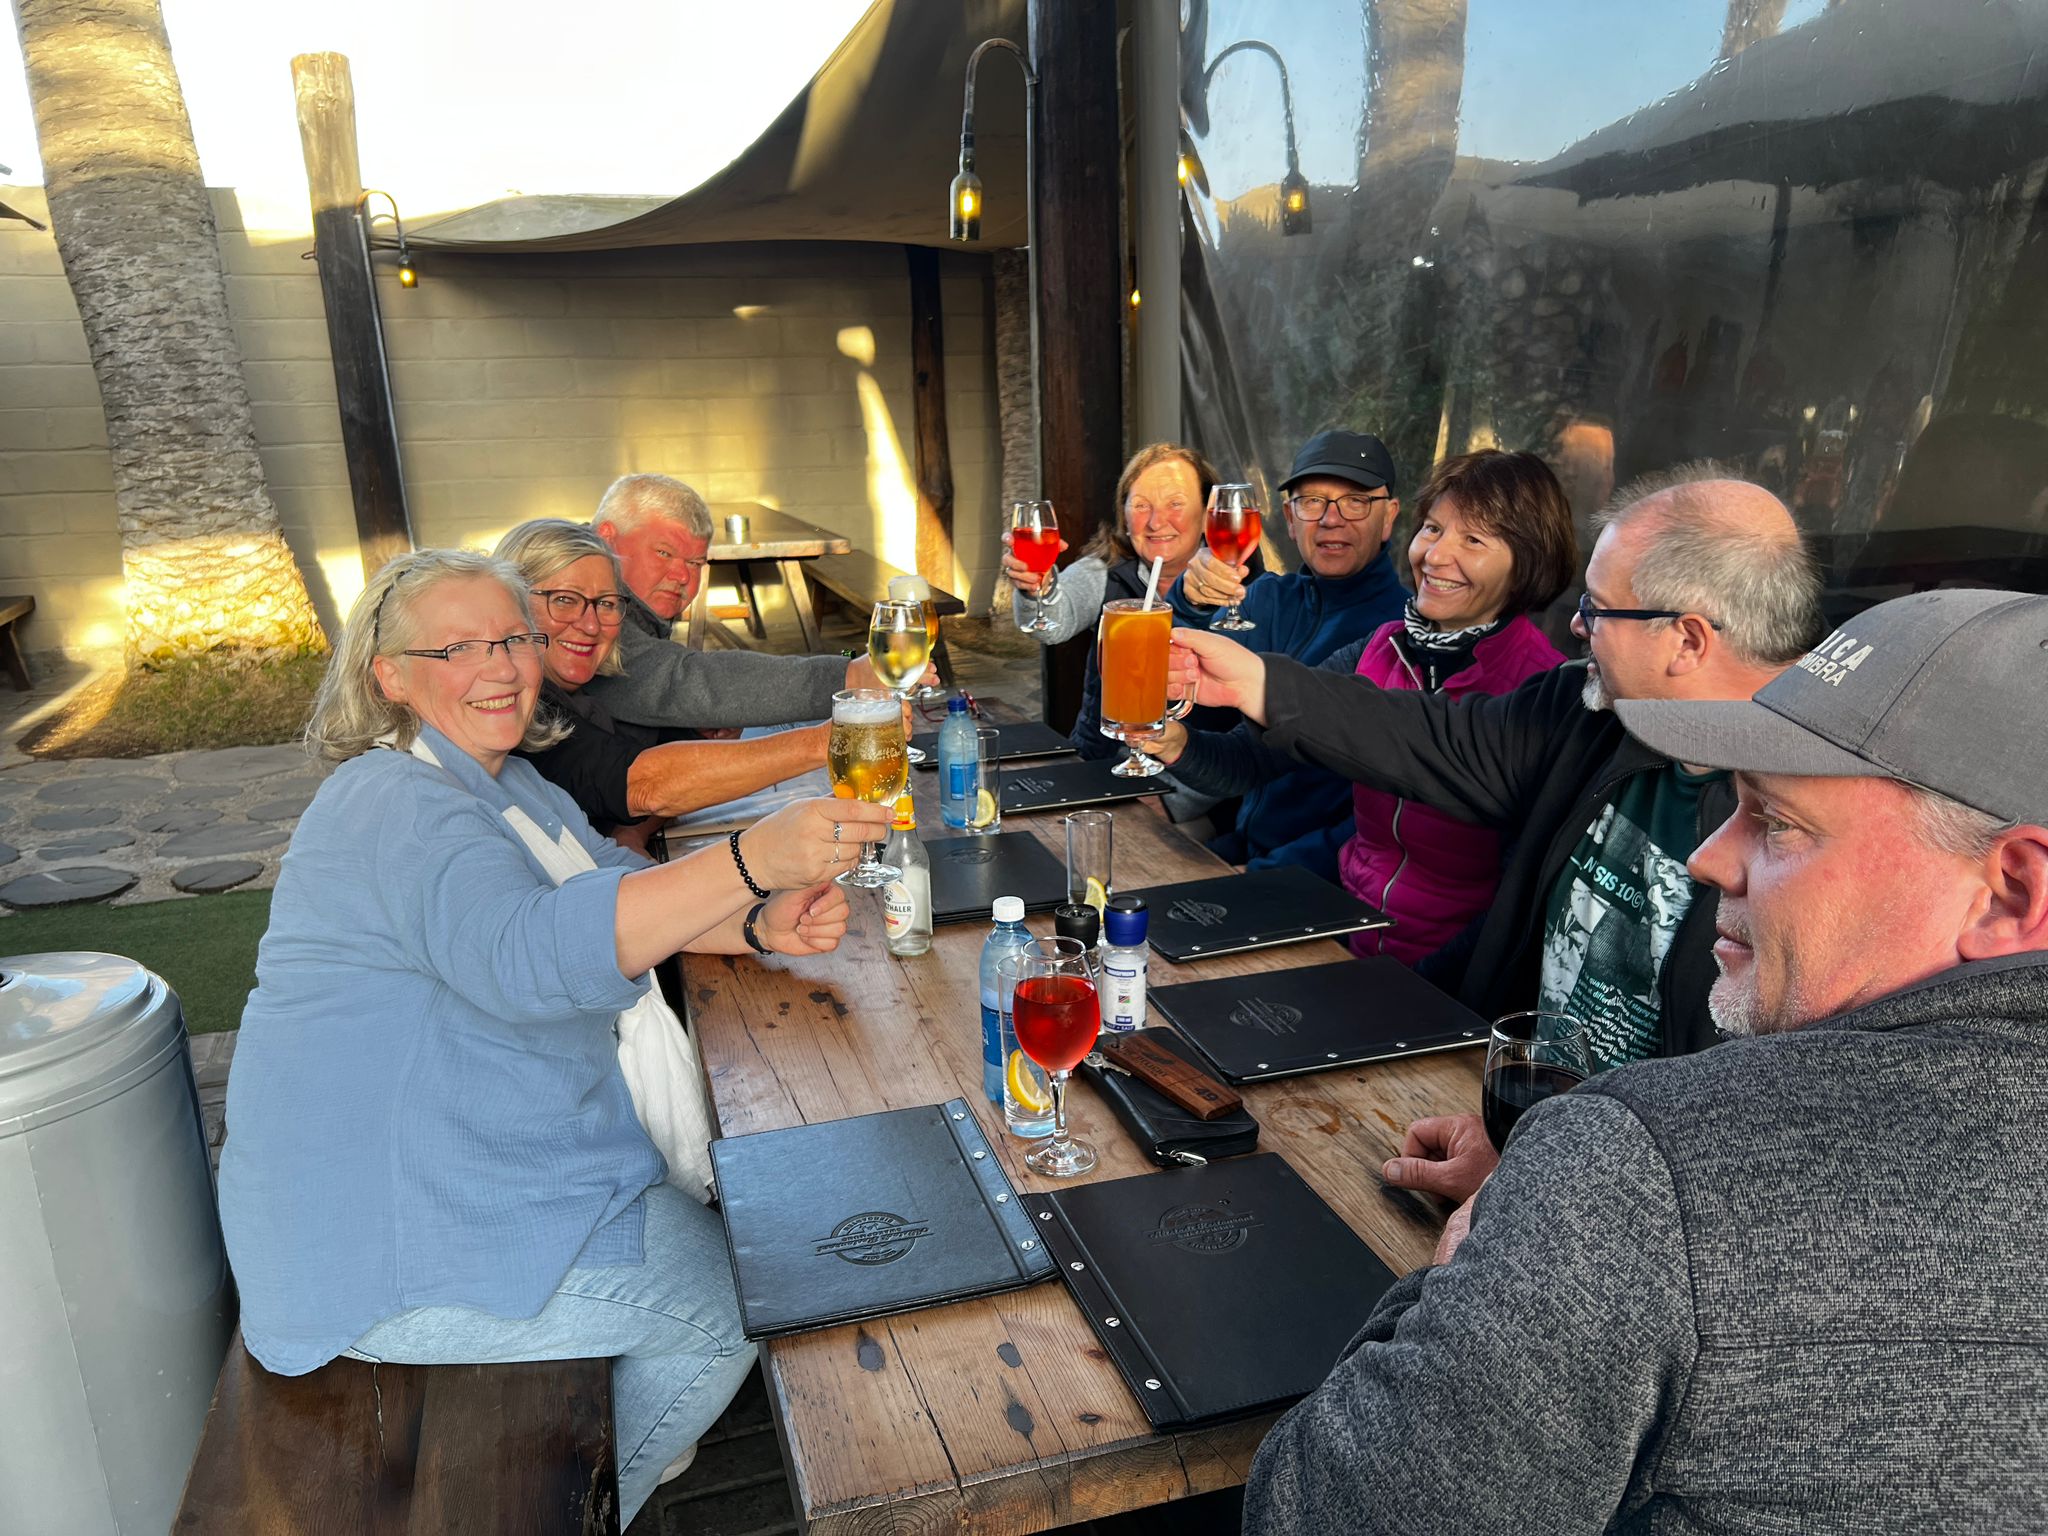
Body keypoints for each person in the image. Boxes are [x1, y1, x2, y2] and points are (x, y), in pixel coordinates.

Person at [1243, 587, 2048, 1536]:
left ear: (2010, 891)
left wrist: (1479, 1268)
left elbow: (1317, 1516)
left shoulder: (1639, 1169)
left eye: (1776, 822)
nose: (1709, 857)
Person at [217, 549, 891, 1527]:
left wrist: (754, 924)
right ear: (389, 676)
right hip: (377, 1242)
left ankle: (595, 1455)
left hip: (476, 1163)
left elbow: (606, 891)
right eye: (455, 648)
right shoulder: (390, 804)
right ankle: (569, 1508)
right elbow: (528, 955)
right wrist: (749, 861)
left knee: (753, 1236)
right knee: (727, 1306)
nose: (497, 667)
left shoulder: (505, 785)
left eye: (510, 640)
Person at [1171, 464, 1823, 1201]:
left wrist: (1545, 1179)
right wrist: (1253, 682)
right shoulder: (1586, 715)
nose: (1577, 626)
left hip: (1637, 1203)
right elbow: (1430, 736)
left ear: (1687, 640)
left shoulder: (1820, 819)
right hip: (1520, 1123)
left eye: (1598, 609)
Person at [1143, 450, 1575, 950]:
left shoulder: (1542, 690)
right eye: (1433, 529)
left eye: (1473, 540)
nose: (1434, 556)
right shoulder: (1381, 646)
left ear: (1527, 561)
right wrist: (1173, 741)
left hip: (1439, 966)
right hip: (1342, 926)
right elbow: (1248, 761)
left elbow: (1519, 907)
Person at [494, 519, 830, 848]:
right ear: (511, 602)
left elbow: (660, 767)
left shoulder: (583, 691)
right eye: (565, 600)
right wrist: (829, 740)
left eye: (606, 603)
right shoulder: (513, 701)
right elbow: (644, 785)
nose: (591, 625)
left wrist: (632, 832)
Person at [584, 472, 884, 731]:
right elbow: (675, 681)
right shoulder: (581, 602)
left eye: (695, 563)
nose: (683, 576)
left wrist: (687, 727)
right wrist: (849, 676)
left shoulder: (609, 589)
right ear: (607, 538)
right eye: (664, 553)